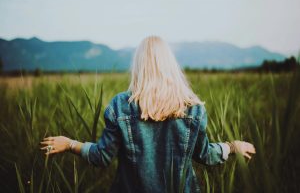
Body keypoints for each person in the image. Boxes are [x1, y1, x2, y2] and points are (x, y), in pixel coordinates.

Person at [40, 36, 256, 193]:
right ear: (171, 67)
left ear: (139, 67)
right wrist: (231, 146)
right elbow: (205, 155)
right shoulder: (193, 108)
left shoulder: (120, 106)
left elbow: (101, 157)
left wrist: (69, 143)